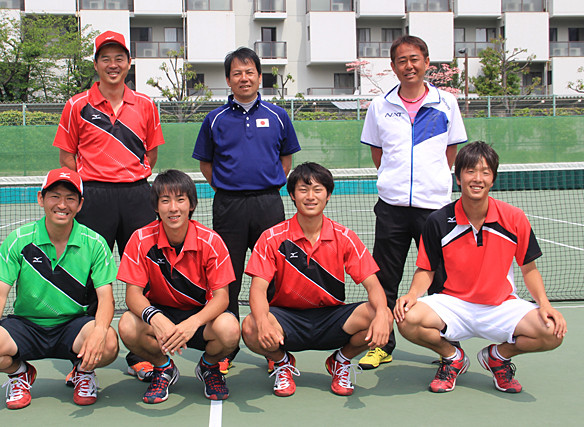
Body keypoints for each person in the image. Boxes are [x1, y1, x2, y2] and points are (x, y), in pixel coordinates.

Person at [394, 141, 567, 393]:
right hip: (453, 304)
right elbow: (426, 269)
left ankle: (498, 357)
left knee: (552, 332)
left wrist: (545, 305)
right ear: (458, 178)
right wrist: (411, 295)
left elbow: (529, 269)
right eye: (470, 171)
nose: (477, 178)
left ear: (493, 179)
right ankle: (452, 357)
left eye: (485, 172)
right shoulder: (438, 220)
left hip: (501, 305)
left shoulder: (514, 218)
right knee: (407, 319)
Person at [53, 30, 165, 381]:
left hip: (136, 197)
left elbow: (151, 154)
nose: (113, 65)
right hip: (94, 198)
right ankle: (83, 360)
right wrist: (94, 184)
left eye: (119, 58)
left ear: (129, 63)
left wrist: (128, 177)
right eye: (106, 58)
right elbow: (67, 158)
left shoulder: (145, 105)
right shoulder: (76, 105)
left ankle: (142, 354)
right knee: (85, 278)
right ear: (96, 63)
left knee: (145, 276)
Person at [0, 168, 119, 409]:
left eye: (70, 198)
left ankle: (83, 372)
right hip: (26, 326)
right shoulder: (19, 240)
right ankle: (19, 373)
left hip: (72, 326)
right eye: (55, 196)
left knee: (109, 342)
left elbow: (106, 297)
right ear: (41, 198)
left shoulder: (95, 243)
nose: (62, 205)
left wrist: (100, 330)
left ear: (80, 204)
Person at [358, 35, 467, 369]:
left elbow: (451, 151)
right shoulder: (379, 106)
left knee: (441, 280)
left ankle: (447, 346)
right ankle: (382, 344)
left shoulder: (446, 103)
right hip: (391, 207)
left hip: (434, 209)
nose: (409, 66)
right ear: (393, 67)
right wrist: (396, 181)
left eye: (415, 59)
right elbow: (378, 154)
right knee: (385, 279)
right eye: (402, 60)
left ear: (426, 62)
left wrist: (431, 181)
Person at [192, 47, 301, 372]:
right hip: (229, 207)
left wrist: (267, 185)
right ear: (228, 79)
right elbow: (206, 164)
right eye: (237, 73)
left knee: (274, 275)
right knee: (229, 277)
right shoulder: (214, 119)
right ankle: (228, 346)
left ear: (259, 76)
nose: (244, 78)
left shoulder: (278, 116)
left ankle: (274, 346)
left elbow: (286, 159)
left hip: (269, 204)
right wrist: (228, 188)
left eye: (249, 72)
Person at [241, 162, 392, 397]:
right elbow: (258, 289)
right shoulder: (272, 238)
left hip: (331, 318)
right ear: (292, 195)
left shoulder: (345, 237)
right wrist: (262, 322)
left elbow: (372, 284)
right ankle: (282, 363)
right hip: (287, 319)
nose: (310, 196)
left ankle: (341, 361)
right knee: (250, 326)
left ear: (328, 195)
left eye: (318, 190)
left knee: (382, 315)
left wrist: (382, 314)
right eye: (303, 190)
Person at [116, 170, 241, 403]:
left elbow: (222, 298)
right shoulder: (140, 239)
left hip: (200, 318)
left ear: (191, 204)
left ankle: (209, 367)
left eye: (180, 200)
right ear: (156, 207)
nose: (173, 208)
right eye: (165, 200)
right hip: (160, 315)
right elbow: (132, 294)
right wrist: (156, 318)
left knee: (230, 329)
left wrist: (192, 323)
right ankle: (164, 368)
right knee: (127, 325)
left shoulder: (211, 241)